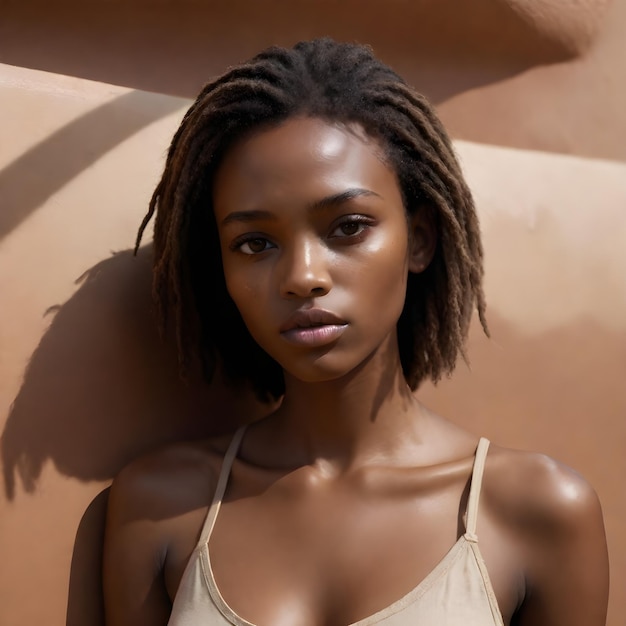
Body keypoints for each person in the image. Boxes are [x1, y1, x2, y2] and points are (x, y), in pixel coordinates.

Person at [102, 38, 609, 626]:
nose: (303, 277)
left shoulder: (537, 513)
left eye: (347, 227)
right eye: (255, 243)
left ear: (419, 239)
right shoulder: (160, 508)